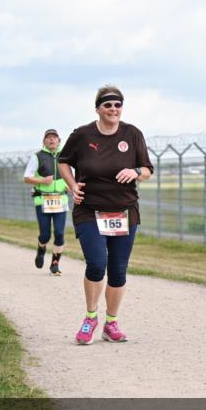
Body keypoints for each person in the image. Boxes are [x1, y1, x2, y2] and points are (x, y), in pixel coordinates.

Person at [58, 85, 153, 345]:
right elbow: (63, 161)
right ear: (98, 108)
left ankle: (111, 323)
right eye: (108, 105)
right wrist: (72, 185)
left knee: (118, 270)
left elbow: (147, 169)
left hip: (124, 210)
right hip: (90, 209)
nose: (113, 109)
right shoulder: (82, 134)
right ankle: (90, 318)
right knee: (97, 263)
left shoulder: (132, 134)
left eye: (118, 105)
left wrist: (136, 172)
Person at [23, 129, 70, 276]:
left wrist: (71, 184)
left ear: (59, 140)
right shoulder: (37, 156)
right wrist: (43, 180)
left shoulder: (66, 156)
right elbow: (27, 177)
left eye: (54, 138)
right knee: (45, 235)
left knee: (59, 233)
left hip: (60, 200)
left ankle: (54, 264)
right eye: (48, 138)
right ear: (44, 141)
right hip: (43, 200)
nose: (51, 140)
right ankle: (41, 249)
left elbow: (73, 174)